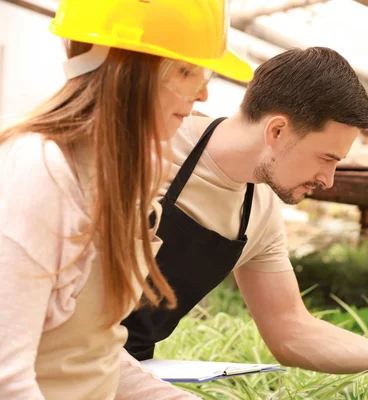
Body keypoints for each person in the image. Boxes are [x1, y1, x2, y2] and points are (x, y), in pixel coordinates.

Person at [121, 47, 368, 389]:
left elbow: (291, 331)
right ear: (277, 131)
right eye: (326, 158)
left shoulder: (261, 212)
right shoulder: (145, 147)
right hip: (72, 365)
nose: (328, 180)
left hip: (130, 377)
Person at [0, 0, 252, 399]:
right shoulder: (43, 172)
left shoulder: (121, 171)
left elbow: (92, 351)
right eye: (189, 71)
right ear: (131, 70)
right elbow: (7, 379)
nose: (203, 93)